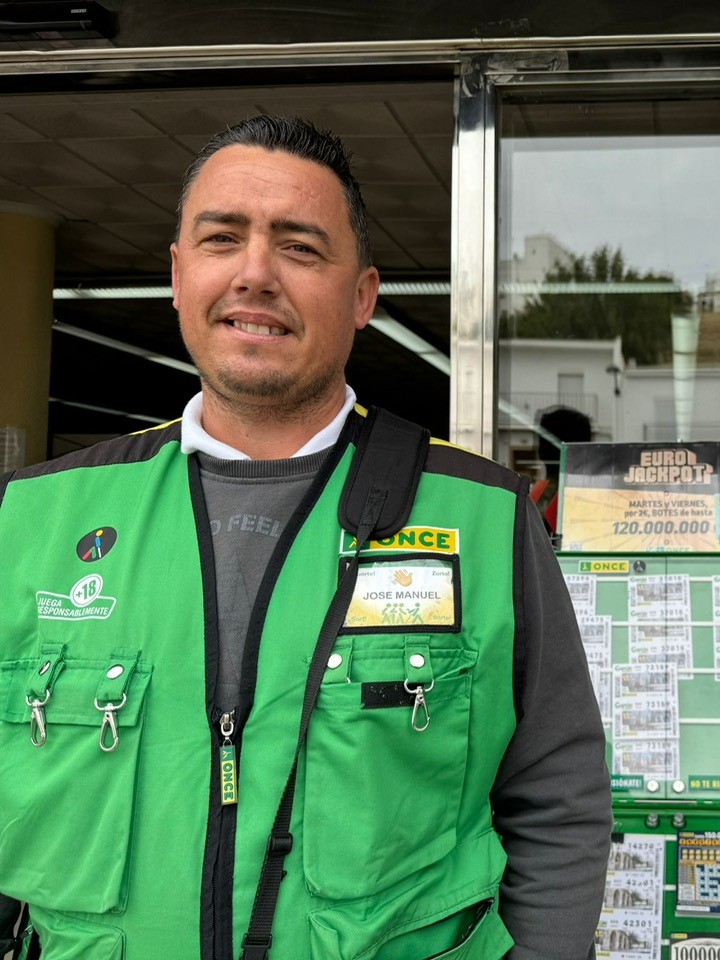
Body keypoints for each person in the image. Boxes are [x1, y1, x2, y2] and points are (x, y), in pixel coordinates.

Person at [0, 115, 611, 960]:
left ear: (362, 296)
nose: (255, 274)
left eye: (299, 248)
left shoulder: (486, 518)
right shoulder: (30, 519)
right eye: (222, 239)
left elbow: (558, 792)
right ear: (178, 276)